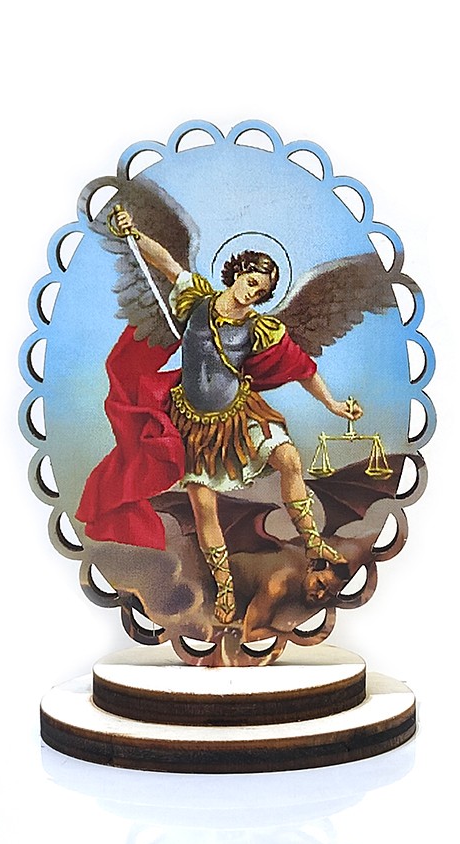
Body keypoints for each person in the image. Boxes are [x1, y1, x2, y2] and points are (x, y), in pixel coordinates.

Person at [79, 207, 361, 625]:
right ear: (237, 273)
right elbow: (165, 261)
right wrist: (133, 233)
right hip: (193, 425)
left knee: (289, 459)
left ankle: (314, 542)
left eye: (261, 290)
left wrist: (332, 404)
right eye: (251, 281)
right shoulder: (196, 300)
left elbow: (303, 369)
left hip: (239, 416)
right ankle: (225, 586)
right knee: (203, 506)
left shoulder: (261, 329)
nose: (252, 293)